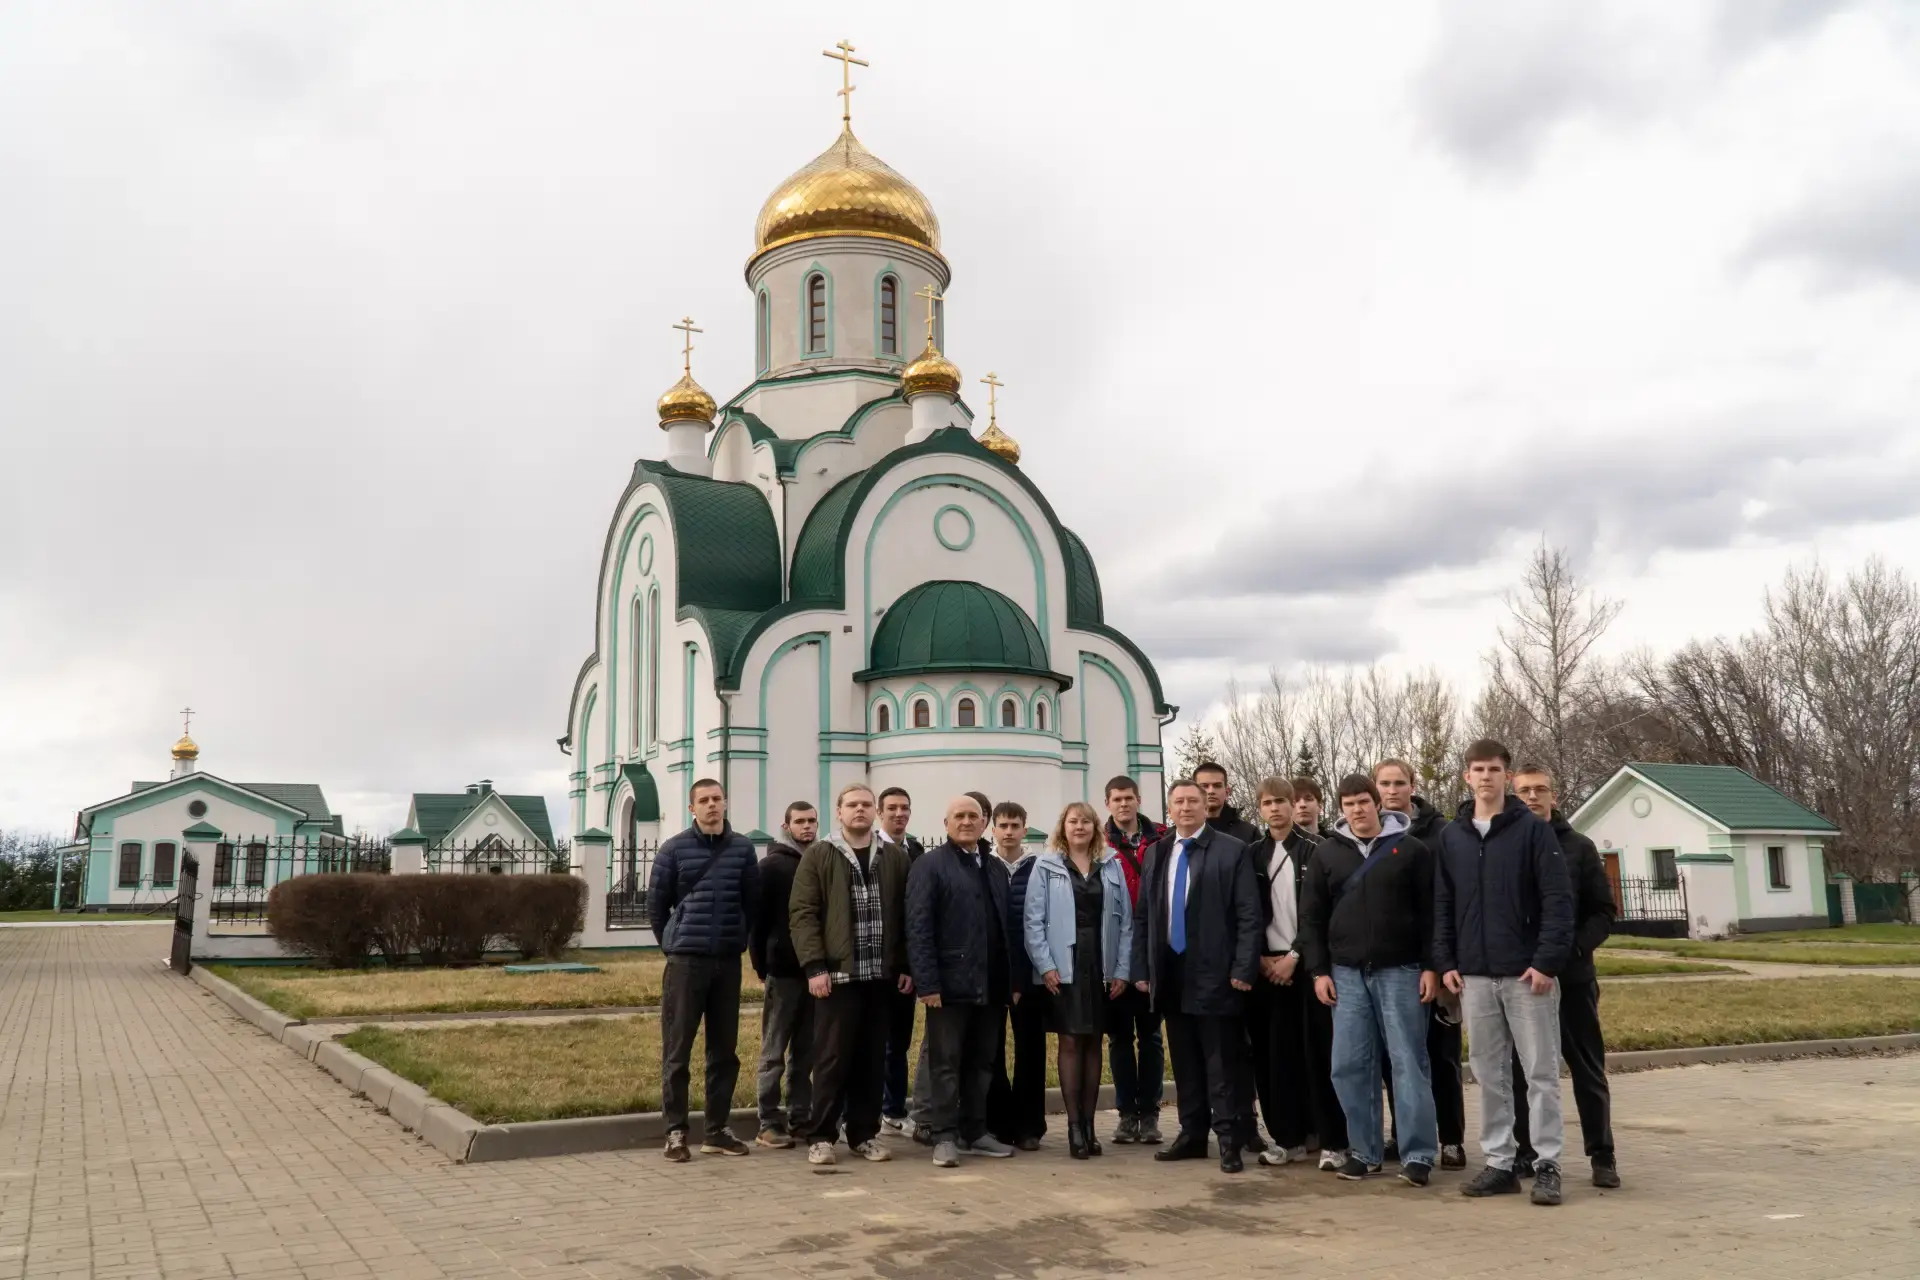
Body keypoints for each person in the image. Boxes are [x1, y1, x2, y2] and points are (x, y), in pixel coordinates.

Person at [1434, 739, 1575, 1207]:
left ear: (1506, 776)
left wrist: (1546, 961)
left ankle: (1547, 1164)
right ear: (1466, 776)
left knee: (1540, 1073)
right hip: (1474, 976)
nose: (1486, 777)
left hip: (1526, 976)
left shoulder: (1532, 831)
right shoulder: (1453, 837)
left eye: (1494, 769)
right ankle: (1499, 1163)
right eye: (1478, 769)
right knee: (1489, 1074)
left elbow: (1558, 900)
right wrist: (1446, 962)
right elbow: (1443, 904)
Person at [1297, 773, 1439, 1187]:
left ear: (1377, 803)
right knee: (1348, 1066)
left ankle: (1418, 1155)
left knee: (1408, 1063)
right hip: (1346, 974)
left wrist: (1432, 966)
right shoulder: (1327, 854)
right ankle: (1364, 1151)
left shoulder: (1411, 850)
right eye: (1349, 804)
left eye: (1363, 801)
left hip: (1402, 971)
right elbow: (1312, 917)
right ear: (1340, 809)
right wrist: (1318, 971)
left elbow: (1432, 913)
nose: (1357, 809)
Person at [1130, 778, 1260, 1173]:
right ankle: (1192, 1134)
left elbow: (1249, 914)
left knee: (1220, 1061)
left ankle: (1229, 1139)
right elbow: (1143, 916)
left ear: (1206, 806)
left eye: (1192, 801)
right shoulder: (1157, 852)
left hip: (1216, 972)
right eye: (1178, 802)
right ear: (1169, 809)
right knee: (1185, 1059)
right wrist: (1142, 968)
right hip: (1171, 971)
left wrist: (1243, 967)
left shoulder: (1232, 850)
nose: (1185, 808)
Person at [787, 783, 914, 1170]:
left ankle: (863, 1134)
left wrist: (904, 965)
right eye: (852, 804)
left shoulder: (893, 857)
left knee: (872, 1060)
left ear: (875, 811)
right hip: (837, 976)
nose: (860, 810)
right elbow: (803, 913)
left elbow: (906, 915)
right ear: (839, 812)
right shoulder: (820, 855)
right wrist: (814, 966)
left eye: (866, 804)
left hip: (879, 976)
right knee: (831, 1058)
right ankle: (822, 1137)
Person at [1510, 765, 1621, 1189]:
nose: (1532, 797)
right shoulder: (1505, 847)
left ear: (1553, 796)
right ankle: (1525, 1152)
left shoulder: (1578, 847)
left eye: (1540, 790)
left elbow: (1602, 912)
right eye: (1524, 791)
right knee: (1521, 1071)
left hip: (1572, 979)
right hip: (1519, 980)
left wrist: (1569, 950)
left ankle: (1602, 1153)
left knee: (1587, 1068)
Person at [649, 777, 761, 1162]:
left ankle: (716, 1130)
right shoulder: (673, 849)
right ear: (692, 808)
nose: (712, 805)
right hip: (685, 962)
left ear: (725, 803)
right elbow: (657, 905)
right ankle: (675, 1132)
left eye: (717, 799)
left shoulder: (742, 849)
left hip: (727, 962)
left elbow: (751, 902)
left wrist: (738, 937)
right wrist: (673, 943)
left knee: (724, 1052)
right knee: (677, 1049)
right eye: (704, 800)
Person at [906, 795, 1019, 1167]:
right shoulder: (930, 865)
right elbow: (918, 928)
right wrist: (927, 983)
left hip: (990, 985)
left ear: (984, 823)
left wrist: (1012, 981)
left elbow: (1006, 928)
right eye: (959, 816)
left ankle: (974, 1131)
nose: (967, 822)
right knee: (945, 1064)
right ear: (946, 823)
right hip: (949, 986)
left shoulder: (994, 867)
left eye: (973, 816)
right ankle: (943, 1136)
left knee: (982, 1061)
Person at [1373, 758, 1467, 1171]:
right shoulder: (1372, 833)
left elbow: (1451, 901)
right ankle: (1404, 1133)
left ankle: (1451, 1139)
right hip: (1392, 965)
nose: (1392, 790)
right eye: (1384, 783)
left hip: (1436, 962)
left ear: (1413, 785)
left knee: (1441, 1056)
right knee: (1399, 1057)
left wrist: (1443, 963)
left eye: (1399, 783)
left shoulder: (1441, 832)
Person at [1026, 801, 1134, 1158]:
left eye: (1086, 822)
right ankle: (1073, 1127)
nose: (1080, 827)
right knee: (1071, 1041)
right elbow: (1033, 921)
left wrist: (1121, 970)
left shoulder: (1112, 864)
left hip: (1100, 964)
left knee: (1094, 1041)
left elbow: (1126, 923)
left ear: (1095, 828)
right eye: (1073, 821)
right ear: (1063, 826)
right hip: (1064, 966)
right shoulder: (1046, 866)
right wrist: (1045, 965)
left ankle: (1090, 1125)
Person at [1245, 776, 1320, 1167]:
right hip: (1265, 968)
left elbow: (1319, 912)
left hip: (1305, 966)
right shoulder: (1252, 855)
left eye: (1280, 801)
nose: (1274, 808)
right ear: (1259, 808)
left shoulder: (1315, 850)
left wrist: (1295, 955)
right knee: (1272, 1058)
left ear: (1293, 804)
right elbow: (1245, 912)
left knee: (1311, 1053)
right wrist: (1259, 958)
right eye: (1267, 803)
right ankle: (1284, 1137)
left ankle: (1318, 1132)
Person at [1103, 775, 1167, 1144]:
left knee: (1151, 1036)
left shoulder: (1161, 837)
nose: (1123, 804)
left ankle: (1151, 1113)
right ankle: (1127, 1113)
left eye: (1128, 798)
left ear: (1138, 799)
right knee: (1119, 1038)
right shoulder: (1100, 842)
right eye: (1117, 799)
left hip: (1151, 947)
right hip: (1115, 951)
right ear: (1108, 803)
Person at [750, 801, 818, 1149]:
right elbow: (758, 921)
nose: (807, 826)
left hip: (816, 973)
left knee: (806, 1053)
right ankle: (768, 1121)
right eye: (800, 821)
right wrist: (761, 965)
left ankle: (800, 1117)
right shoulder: (772, 866)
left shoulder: (820, 860)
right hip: (783, 971)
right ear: (786, 825)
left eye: (811, 821)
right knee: (774, 1050)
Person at [985, 801, 1047, 1150]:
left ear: (1025, 828)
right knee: (990, 1052)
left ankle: (1029, 1126)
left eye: (1015, 825)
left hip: (1031, 974)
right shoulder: (984, 866)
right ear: (993, 829)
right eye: (1003, 825)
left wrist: (1023, 979)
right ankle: (997, 1123)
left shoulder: (1040, 867)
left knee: (1031, 1052)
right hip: (992, 975)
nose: (1008, 832)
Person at [874, 786, 925, 1138]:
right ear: (880, 813)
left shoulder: (916, 851)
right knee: (867, 1041)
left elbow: (916, 913)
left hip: (902, 965)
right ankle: (856, 1113)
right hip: (870, 962)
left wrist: (909, 965)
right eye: (891, 808)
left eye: (904, 808)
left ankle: (892, 1111)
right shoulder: (869, 850)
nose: (899, 814)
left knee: (898, 1043)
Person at [1193, 761, 1260, 844]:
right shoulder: (1182, 832)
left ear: (1227, 792)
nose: (1211, 791)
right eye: (1205, 786)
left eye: (1217, 786)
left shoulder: (1248, 833)